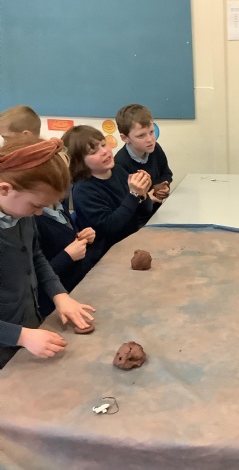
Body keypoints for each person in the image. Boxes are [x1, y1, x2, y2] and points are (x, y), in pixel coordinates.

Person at [0, 135, 95, 368]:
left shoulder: (20, 214)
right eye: (36, 205)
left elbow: (35, 256)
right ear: (5, 189)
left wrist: (59, 294)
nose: (40, 213)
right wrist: (21, 336)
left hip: (29, 332)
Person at [62, 125, 154, 250]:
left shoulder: (118, 170)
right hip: (108, 251)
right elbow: (110, 227)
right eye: (93, 152)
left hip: (131, 240)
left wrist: (143, 194)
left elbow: (145, 211)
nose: (104, 152)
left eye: (104, 144)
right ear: (79, 162)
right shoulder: (83, 190)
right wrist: (134, 195)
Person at [114, 104, 173, 211]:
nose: (150, 139)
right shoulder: (120, 163)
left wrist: (164, 185)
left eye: (151, 132)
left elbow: (166, 173)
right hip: (138, 217)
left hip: (158, 210)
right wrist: (146, 200)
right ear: (125, 138)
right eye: (141, 135)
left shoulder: (155, 148)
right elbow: (124, 202)